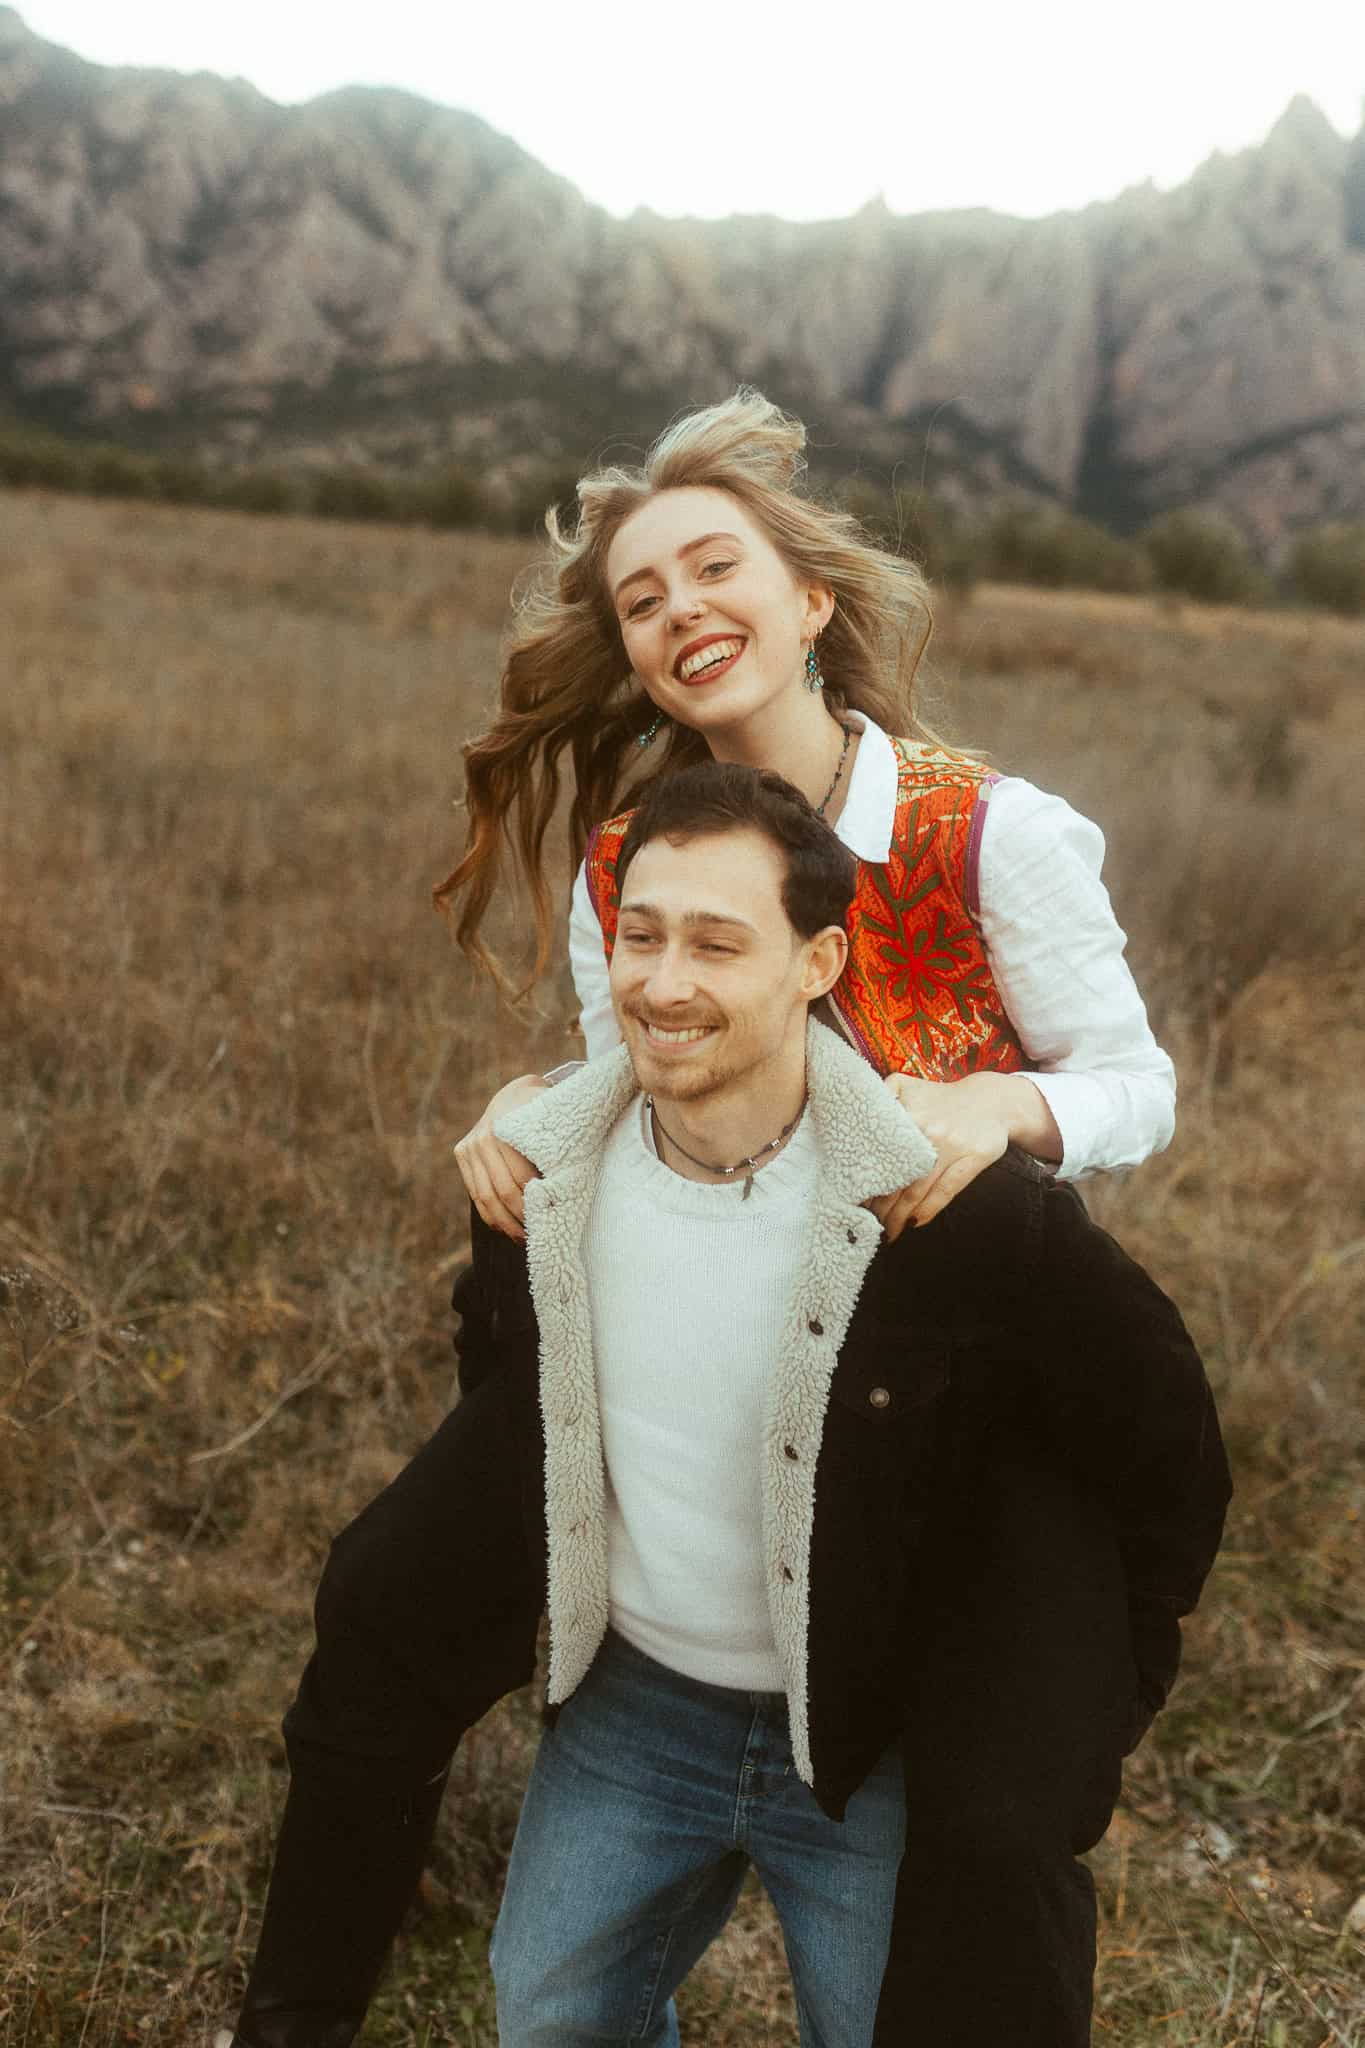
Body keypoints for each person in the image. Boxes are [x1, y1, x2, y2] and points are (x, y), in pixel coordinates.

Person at [228, 763, 1230, 2048]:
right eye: (641, 935)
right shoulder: (541, 1181)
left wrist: (1098, 1684)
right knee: (552, 2012)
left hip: (872, 1740)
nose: (664, 982)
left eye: (717, 943)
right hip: (635, 1711)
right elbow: (509, 1405)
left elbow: (1168, 1448)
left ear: (818, 962)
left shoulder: (953, 1210)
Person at [445, 387, 1176, 1247]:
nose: (680, 609)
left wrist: (994, 1103)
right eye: (640, 604)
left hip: (969, 1296)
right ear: (637, 661)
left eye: (715, 568)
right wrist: (535, 1101)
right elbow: (638, 1095)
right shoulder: (617, 868)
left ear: (811, 603)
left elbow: (1136, 1091)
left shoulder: (989, 831)